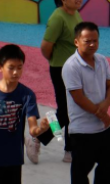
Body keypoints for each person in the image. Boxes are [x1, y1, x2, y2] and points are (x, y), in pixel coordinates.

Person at [0, 44, 49, 184]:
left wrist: (41, 129)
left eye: (19, 67)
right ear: (0, 68)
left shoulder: (27, 94)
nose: (15, 72)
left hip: (13, 161)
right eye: (11, 67)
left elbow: (33, 129)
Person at [28, 0, 83, 164]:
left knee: (74, 110)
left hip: (75, 70)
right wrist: (55, 61)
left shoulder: (75, 14)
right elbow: (46, 47)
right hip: (61, 70)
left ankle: (70, 150)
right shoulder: (58, 18)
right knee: (65, 112)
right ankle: (38, 138)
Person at [62, 21, 110, 184]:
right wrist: (103, 115)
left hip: (103, 128)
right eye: (87, 41)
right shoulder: (71, 66)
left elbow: (109, 85)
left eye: (95, 40)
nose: (92, 44)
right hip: (82, 131)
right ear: (76, 42)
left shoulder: (102, 60)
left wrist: (106, 104)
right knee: (80, 173)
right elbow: (79, 98)